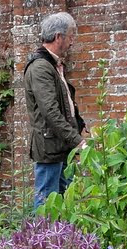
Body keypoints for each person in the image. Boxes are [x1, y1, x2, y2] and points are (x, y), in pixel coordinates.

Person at [23, 12, 87, 210]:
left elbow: (66, 105)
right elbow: (50, 112)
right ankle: (40, 233)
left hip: (60, 146)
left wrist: (79, 126)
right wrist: (78, 140)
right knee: (45, 204)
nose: (72, 41)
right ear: (59, 36)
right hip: (49, 147)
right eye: (70, 36)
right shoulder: (41, 68)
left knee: (65, 203)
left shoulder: (53, 65)